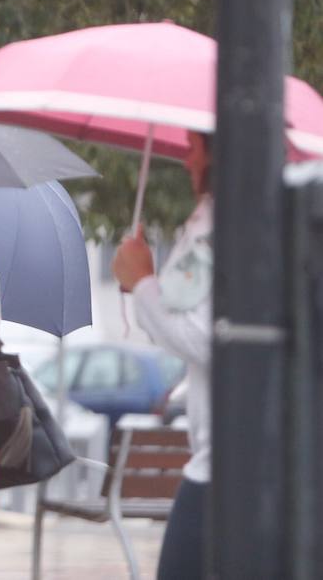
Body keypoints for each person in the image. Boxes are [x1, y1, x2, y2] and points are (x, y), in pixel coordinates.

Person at [112, 130, 213, 580]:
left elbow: (202, 337)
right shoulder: (257, 215)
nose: (186, 160)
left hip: (224, 467)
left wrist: (142, 283)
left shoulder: (220, 224)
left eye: (194, 147)